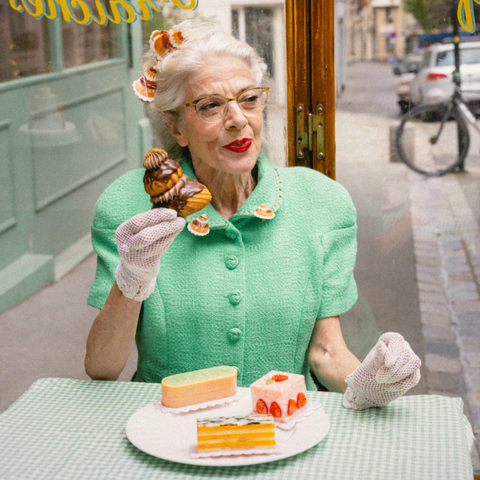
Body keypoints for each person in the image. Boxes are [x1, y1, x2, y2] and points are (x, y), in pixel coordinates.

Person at [85, 21, 421, 410]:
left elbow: (326, 352)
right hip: (168, 429)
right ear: (176, 126)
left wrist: (369, 382)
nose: (238, 119)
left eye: (248, 99)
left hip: (287, 425)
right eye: (210, 105)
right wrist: (133, 278)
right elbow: (102, 367)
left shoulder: (321, 203)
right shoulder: (131, 205)